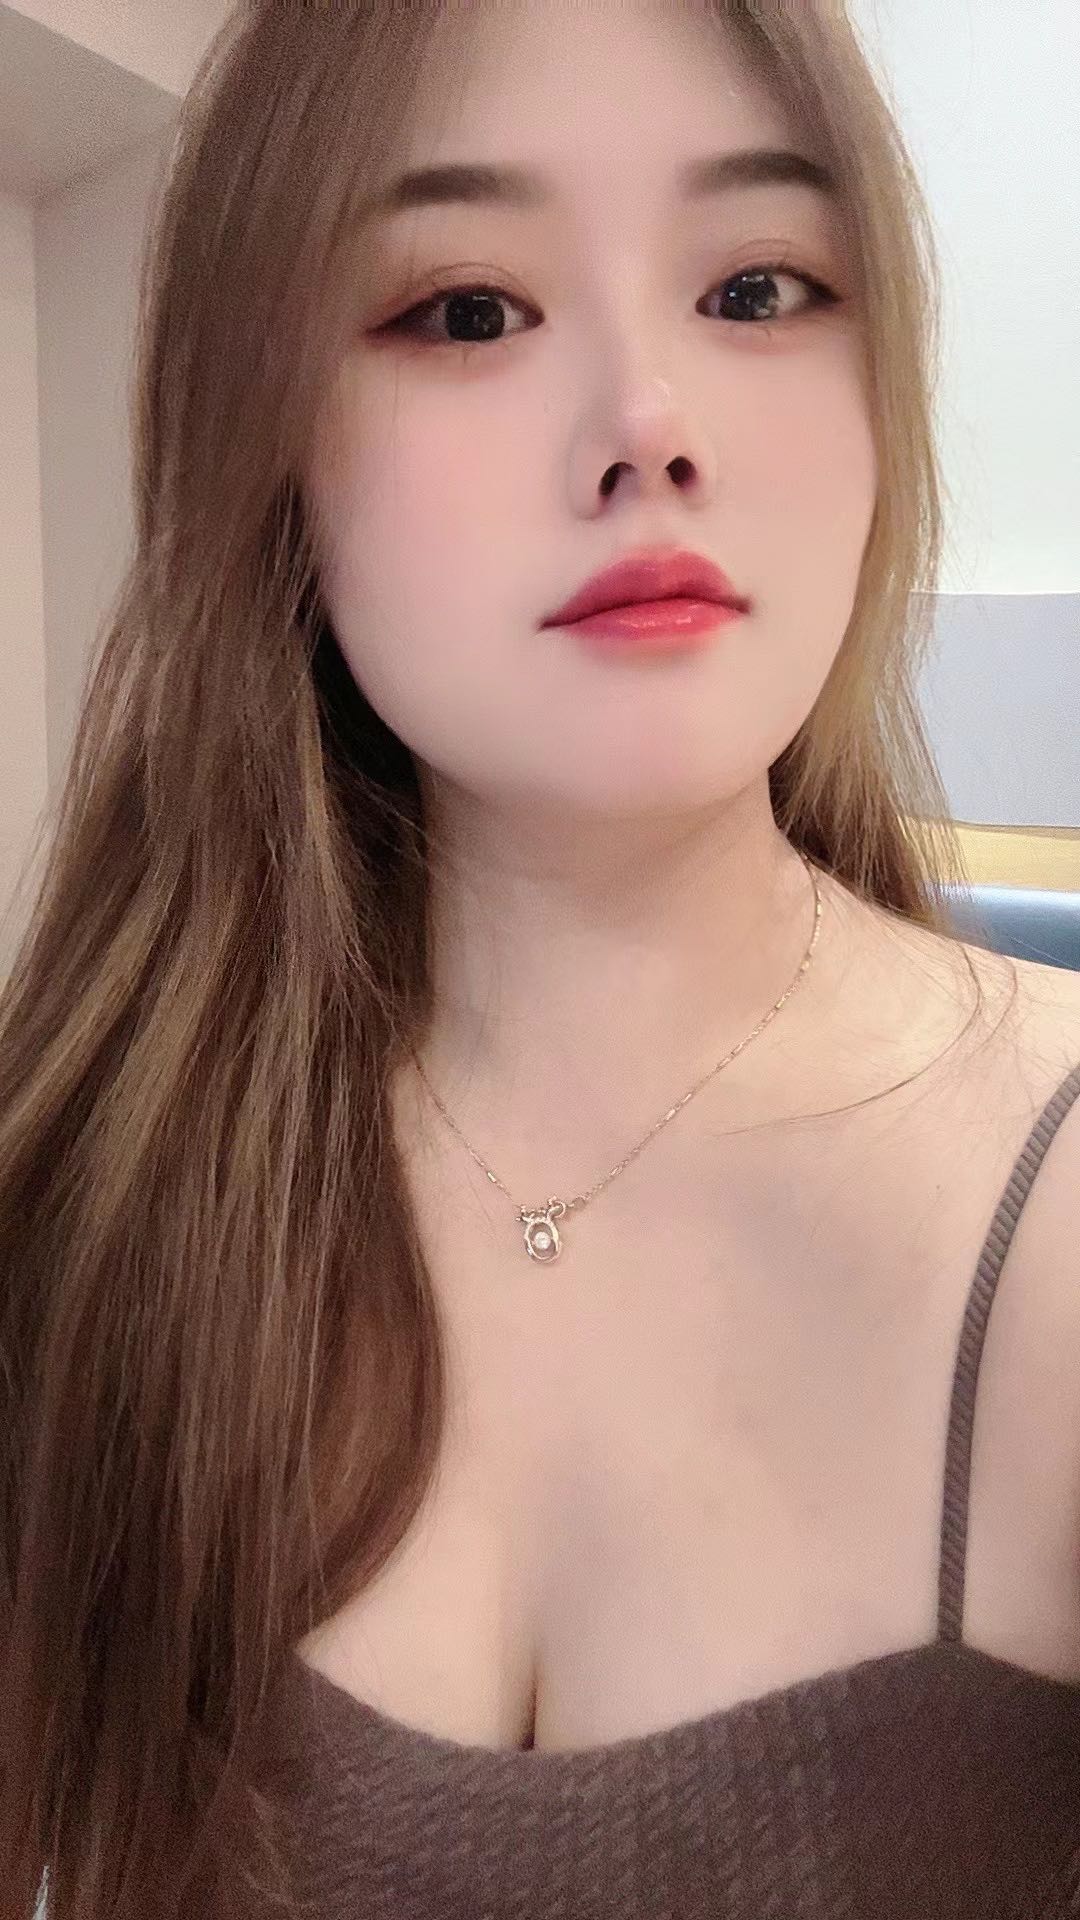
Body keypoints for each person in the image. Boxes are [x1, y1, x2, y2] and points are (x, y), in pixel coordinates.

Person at [2, 1, 1080, 1915]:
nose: (648, 425)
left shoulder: (1054, 1209)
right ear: (267, 442)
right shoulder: (93, 1180)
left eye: (757, 288)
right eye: (470, 312)